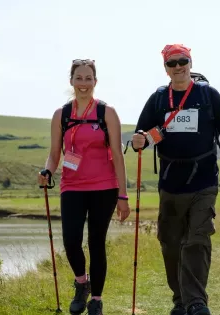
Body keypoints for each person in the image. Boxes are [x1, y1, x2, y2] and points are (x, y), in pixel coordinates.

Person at [130, 44, 220, 315]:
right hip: (171, 182)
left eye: (182, 61)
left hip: (204, 180)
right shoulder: (159, 99)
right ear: (165, 68)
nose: (178, 67)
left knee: (197, 239)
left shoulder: (209, 95)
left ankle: (196, 302)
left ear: (190, 62)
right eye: (172, 63)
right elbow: (142, 134)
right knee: (171, 243)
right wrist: (138, 140)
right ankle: (180, 300)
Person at [38, 59, 130, 315]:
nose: (83, 83)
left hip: (104, 187)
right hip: (72, 186)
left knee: (96, 242)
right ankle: (82, 283)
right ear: (71, 81)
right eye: (79, 78)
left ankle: (96, 300)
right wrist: (47, 170)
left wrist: (123, 194)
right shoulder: (62, 115)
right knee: (70, 240)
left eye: (88, 78)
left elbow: (118, 156)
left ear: (95, 82)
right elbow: (55, 154)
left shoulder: (106, 113)